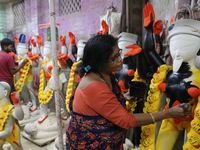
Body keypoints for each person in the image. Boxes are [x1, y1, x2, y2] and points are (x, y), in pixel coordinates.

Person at [65, 34, 192, 149]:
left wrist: (122, 97)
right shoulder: (95, 86)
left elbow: (102, 103)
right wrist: (168, 113)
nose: (120, 59)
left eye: (119, 53)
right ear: (100, 63)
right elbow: (127, 121)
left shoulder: (105, 74)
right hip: (90, 143)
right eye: (114, 58)